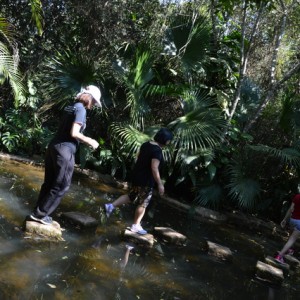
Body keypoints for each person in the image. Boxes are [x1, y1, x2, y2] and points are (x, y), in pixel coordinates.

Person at [29, 85, 101, 225]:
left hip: (54, 146)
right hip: (65, 149)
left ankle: (37, 211)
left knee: (49, 182)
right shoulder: (81, 109)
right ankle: (40, 215)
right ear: (89, 98)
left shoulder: (71, 106)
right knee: (62, 185)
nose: (93, 105)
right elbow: (74, 133)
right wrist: (90, 141)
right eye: (94, 102)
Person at [104, 128, 173, 235]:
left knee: (131, 196)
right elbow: (154, 168)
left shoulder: (146, 144)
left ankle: (111, 206)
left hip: (136, 176)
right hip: (146, 180)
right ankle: (136, 225)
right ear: (166, 140)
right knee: (143, 203)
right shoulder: (157, 151)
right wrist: (160, 184)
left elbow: (137, 157)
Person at [275, 191, 300, 263]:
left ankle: (289, 250)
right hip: (299, 223)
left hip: (292, 220)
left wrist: (285, 219)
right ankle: (279, 256)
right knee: (292, 240)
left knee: (290, 237)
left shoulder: (297, 196)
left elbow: (290, 209)